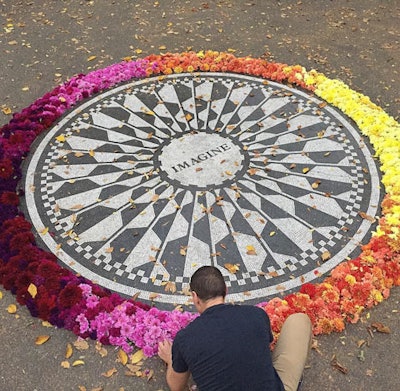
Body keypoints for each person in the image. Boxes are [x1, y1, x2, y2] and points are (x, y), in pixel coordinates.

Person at [158, 265, 312, 391]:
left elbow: (176, 386)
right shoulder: (256, 315)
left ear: (195, 297)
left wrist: (172, 361)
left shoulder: (186, 338)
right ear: (225, 290)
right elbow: (263, 347)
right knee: (299, 321)